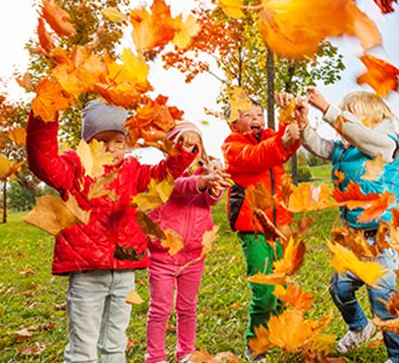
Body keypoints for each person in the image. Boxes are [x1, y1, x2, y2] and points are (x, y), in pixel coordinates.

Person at [26, 100, 196, 363]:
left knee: (115, 345)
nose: (111, 148)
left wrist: (183, 152)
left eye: (118, 141)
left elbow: (164, 175)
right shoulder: (74, 167)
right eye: (101, 140)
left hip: (124, 273)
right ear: (87, 142)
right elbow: (43, 162)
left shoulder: (134, 171)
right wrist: (45, 114)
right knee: (83, 348)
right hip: (87, 273)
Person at [292, 87, 399, 363]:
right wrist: (302, 123)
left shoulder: (386, 144)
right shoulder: (345, 150)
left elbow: (360, 136)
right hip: (353, 239)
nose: (342, 121)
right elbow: (317, 145)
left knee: (385, 305)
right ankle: (359, 328)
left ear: (373, 118)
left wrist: (327, 108)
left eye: (350, 114)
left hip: (379, 240)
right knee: (340, 289)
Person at [221, 99, 300, 363]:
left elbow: (286, 146)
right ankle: (256, 344)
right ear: (233, 123)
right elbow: (257, 157)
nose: (256, 118)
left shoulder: (269, 137)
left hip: (279, 226)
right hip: (253, 227)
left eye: (259, 113)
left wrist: (290, 117)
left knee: (281, 288)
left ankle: (275, 332)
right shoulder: (232, 146)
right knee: (264, 290)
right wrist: (283, 139)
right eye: (247, 115)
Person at [144, 122, 230, 363]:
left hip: (194, 254)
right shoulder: (163, 175)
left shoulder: (206, 171)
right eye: (183, 144)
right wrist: (202, 182)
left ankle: (186, 353)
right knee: (160, 309)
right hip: (164, 255)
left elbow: (211, 201)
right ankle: (155, 357)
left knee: (188, 307)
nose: (191, 149)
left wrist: (213, 186)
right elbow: (178, 188)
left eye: (195, 144)